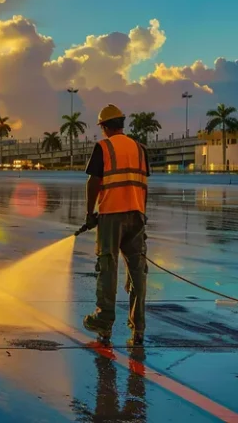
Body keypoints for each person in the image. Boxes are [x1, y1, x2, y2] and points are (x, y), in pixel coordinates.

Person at [82, 104, 150, 346]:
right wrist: (141, 213)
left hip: (112, 215)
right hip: (137, 215)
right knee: (138, 273)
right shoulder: (140, 148)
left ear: (105, 127)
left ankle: (104, 322)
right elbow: (142, 184)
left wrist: (90, 214)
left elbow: (94, 182)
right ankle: (138, 327)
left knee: (107, 268)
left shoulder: (103, 147)